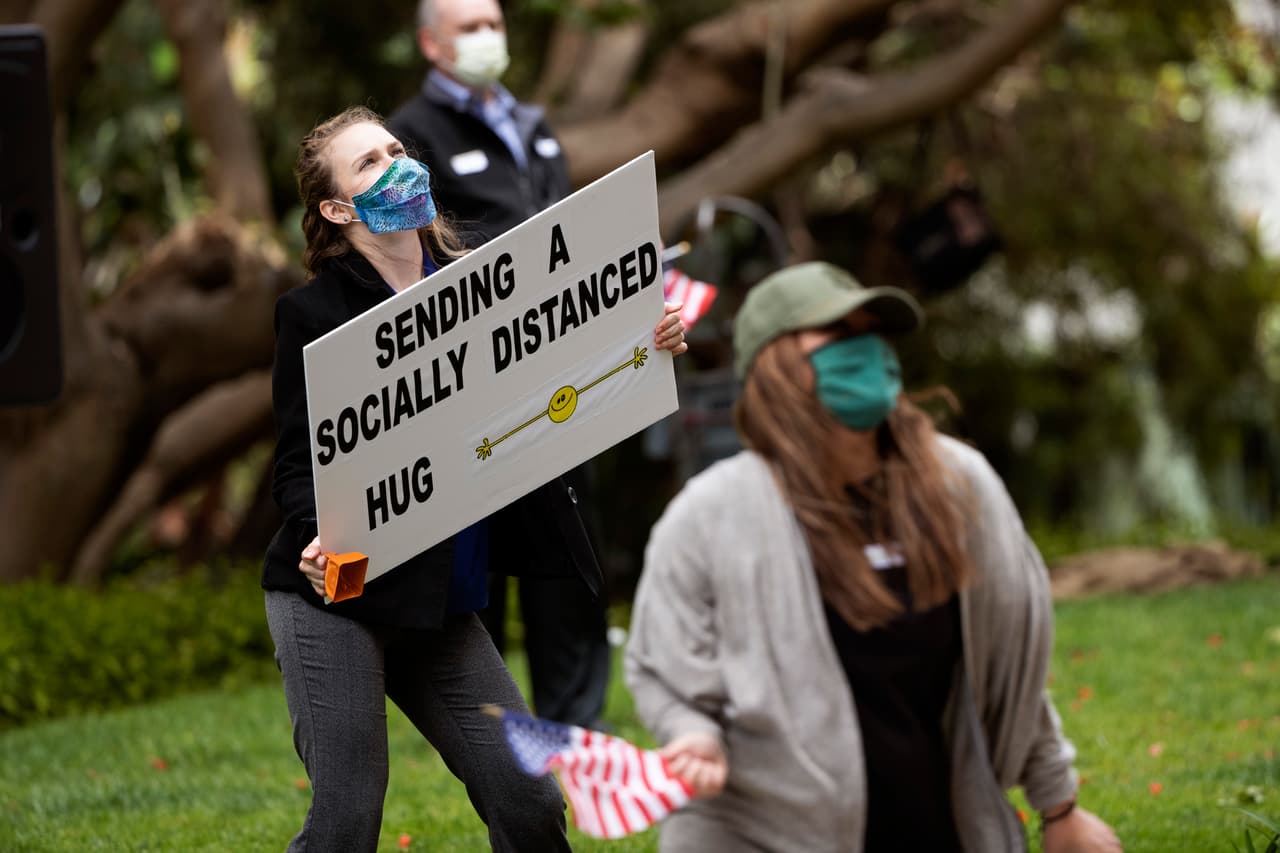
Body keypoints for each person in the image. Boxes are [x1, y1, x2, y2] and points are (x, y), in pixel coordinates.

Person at [263, 105, 685, 852]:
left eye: (396, 149)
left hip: (440, 599)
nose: (397, 164)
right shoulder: (313, 315)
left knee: (528, 803)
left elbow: (567, 378)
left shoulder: (486, 287)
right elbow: (299, 463)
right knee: (345, 820)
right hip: (340, 597)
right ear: (335, 209)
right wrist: (316, 532)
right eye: (368, 163)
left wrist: (643, 341)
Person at [625, 262, 1123, 852]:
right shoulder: (708, 516)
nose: (865, 353)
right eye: (839, 339)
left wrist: (1059, 807)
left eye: (872, 335)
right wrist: (693, 735)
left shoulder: (959, 486)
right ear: (776, 369)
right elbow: (666, 666)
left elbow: (1005, 664)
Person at [387, 0, 611, 729]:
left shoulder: (535, 126)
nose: (487, 39)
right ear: (430, 43)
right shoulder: (409, 135)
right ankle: (495, 736)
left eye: (494, 24)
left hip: (562, 375)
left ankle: (574, 736)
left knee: (567, 558)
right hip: (476, 386)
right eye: (468, 28)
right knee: (487, 565)